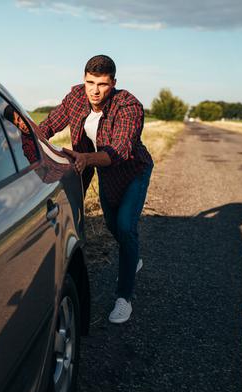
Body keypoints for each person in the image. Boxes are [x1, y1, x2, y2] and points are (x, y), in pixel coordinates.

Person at [39, 55, 154, 323]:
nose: (95, 90)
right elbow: (49, 125)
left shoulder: (128, 106)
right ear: (84, 79)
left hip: (132, 171)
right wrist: (28, 138)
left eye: (102, 84)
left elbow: (120, 150)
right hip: (105, 173)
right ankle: (132, 255)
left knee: (126, 227)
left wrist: (84, 159)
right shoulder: (76, 97)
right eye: (90, 82)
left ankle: (124, 298)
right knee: (113, 226)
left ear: (113, 83)